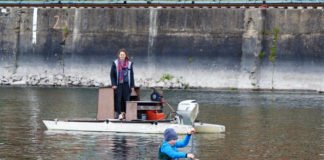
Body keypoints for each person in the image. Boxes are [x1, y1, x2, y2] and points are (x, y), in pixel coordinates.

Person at [110, 48, 135, 119]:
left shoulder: (129, 64)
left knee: (126, 99)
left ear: (125, 55)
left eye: (123, 55)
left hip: (126, 84)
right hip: (118, 84)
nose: (122, 56)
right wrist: (114, 84)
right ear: (119, 55)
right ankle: (119, 113)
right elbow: (112, 75)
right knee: (118, 99)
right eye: (121, 55)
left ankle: (126, 113)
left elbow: (132, 75)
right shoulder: (115, 63)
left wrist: (132, 85)